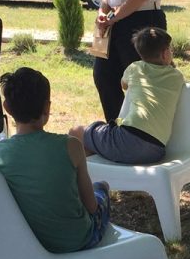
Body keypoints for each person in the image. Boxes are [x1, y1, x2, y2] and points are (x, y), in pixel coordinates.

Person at [0, 67, 112, 253]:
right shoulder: (71, 146)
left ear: (6, 107)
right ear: (47, 107)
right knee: (101, 188)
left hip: (30, 244)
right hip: (77, 240)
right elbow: (91, 206)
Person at [71, 27, 184, 165]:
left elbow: (124, 85)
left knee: (76, 132)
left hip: (126, 140)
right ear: (165, 54)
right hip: (156, 151)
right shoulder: (177, 76)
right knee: (97, 142)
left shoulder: (135, 68)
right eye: (170, 49)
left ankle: (83, 174)